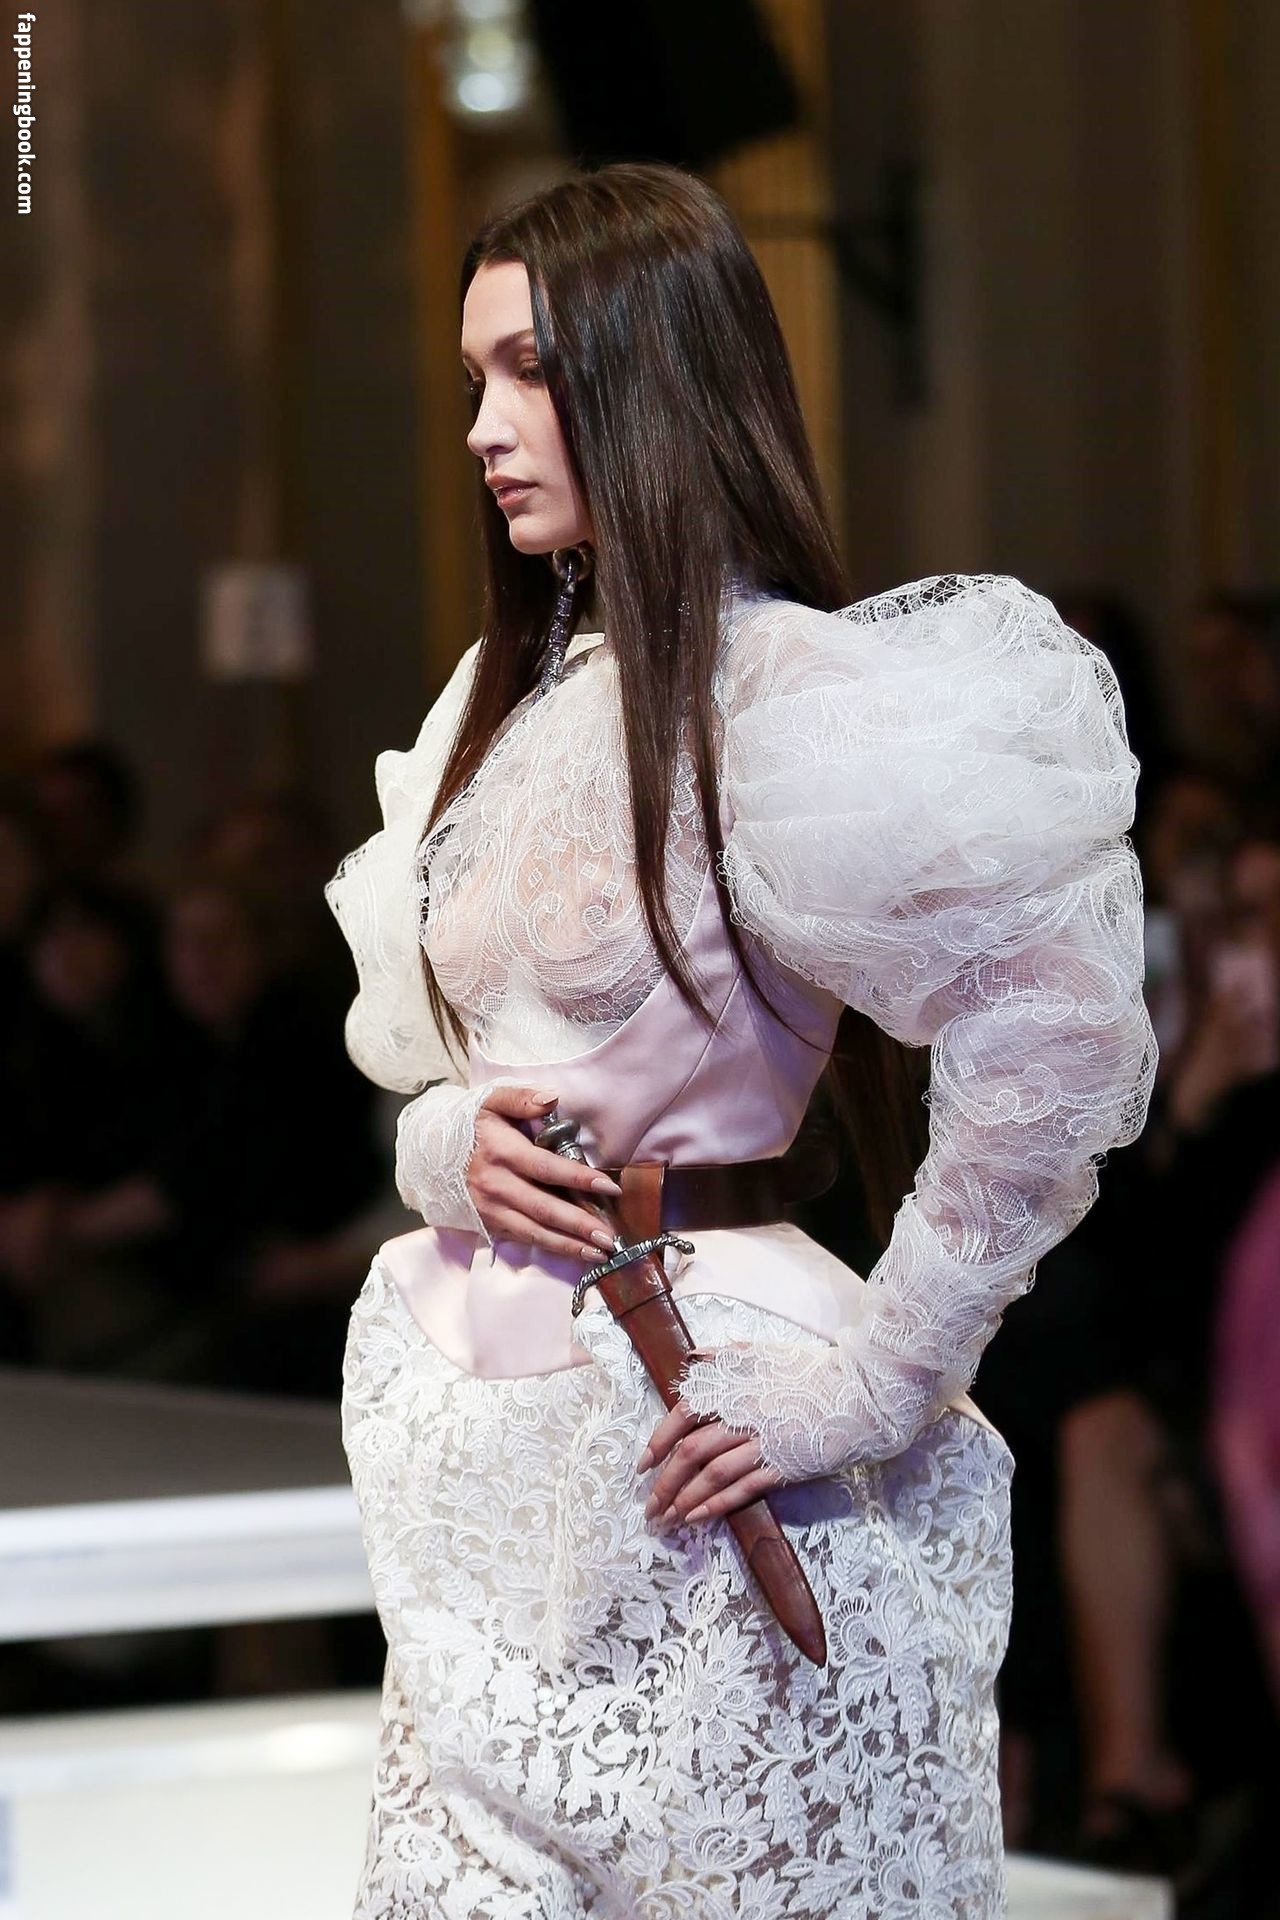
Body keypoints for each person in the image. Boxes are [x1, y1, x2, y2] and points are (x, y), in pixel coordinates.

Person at [327, 162, 1156, 1919]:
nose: (482, 428)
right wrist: (446, 1147)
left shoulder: (791, 697)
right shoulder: (503, 702)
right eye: (472, 377)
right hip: (479, 1478)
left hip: (697, 1440)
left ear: (653, 375)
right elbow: (436, 1056)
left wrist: (886, 1374)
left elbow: (1062, 1031)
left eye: (529, 370)